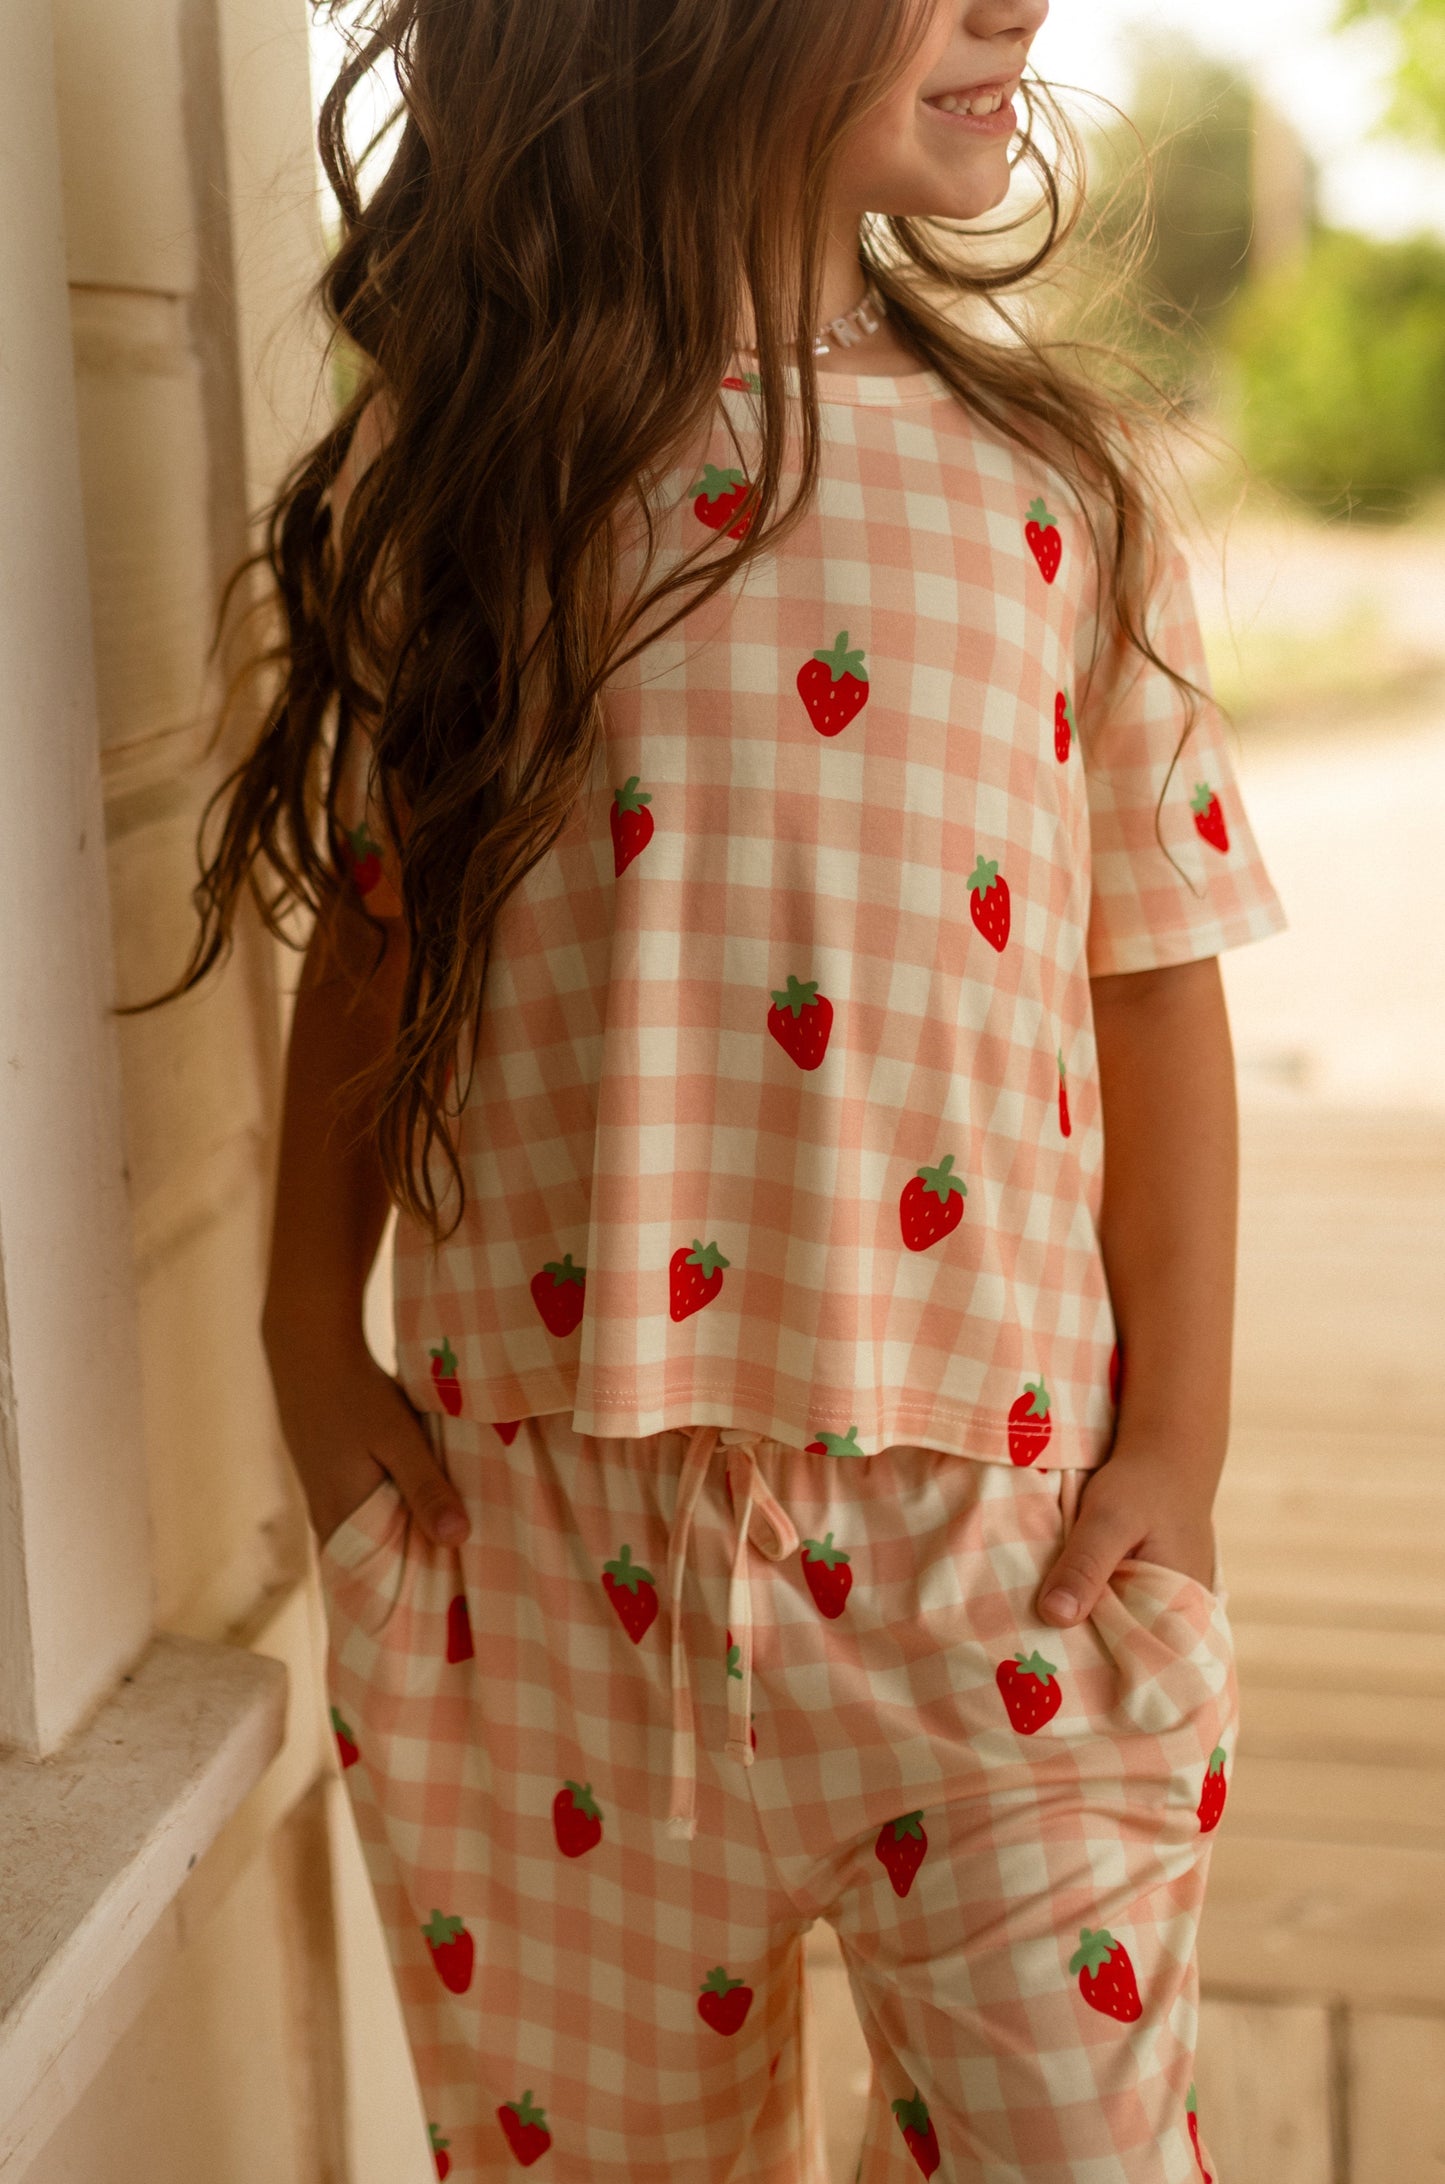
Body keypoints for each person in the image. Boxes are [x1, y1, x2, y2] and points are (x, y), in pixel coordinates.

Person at [172, 0, 1286, 2174]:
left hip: (1006, 1553)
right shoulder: (474, 476)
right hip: (541, 1554)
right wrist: (312, 1335)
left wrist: (1187, 1437)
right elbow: (386, 930)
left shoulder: (1058, 488)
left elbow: (1153, 979)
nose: (1020, 9)